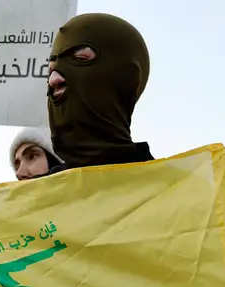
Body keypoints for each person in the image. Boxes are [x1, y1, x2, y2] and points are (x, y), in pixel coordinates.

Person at [46, 13, 152, 171]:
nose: (53, 80)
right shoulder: (37, 188)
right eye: (51, 69)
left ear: (126, 79)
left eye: (80, 59)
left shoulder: (174, 185)